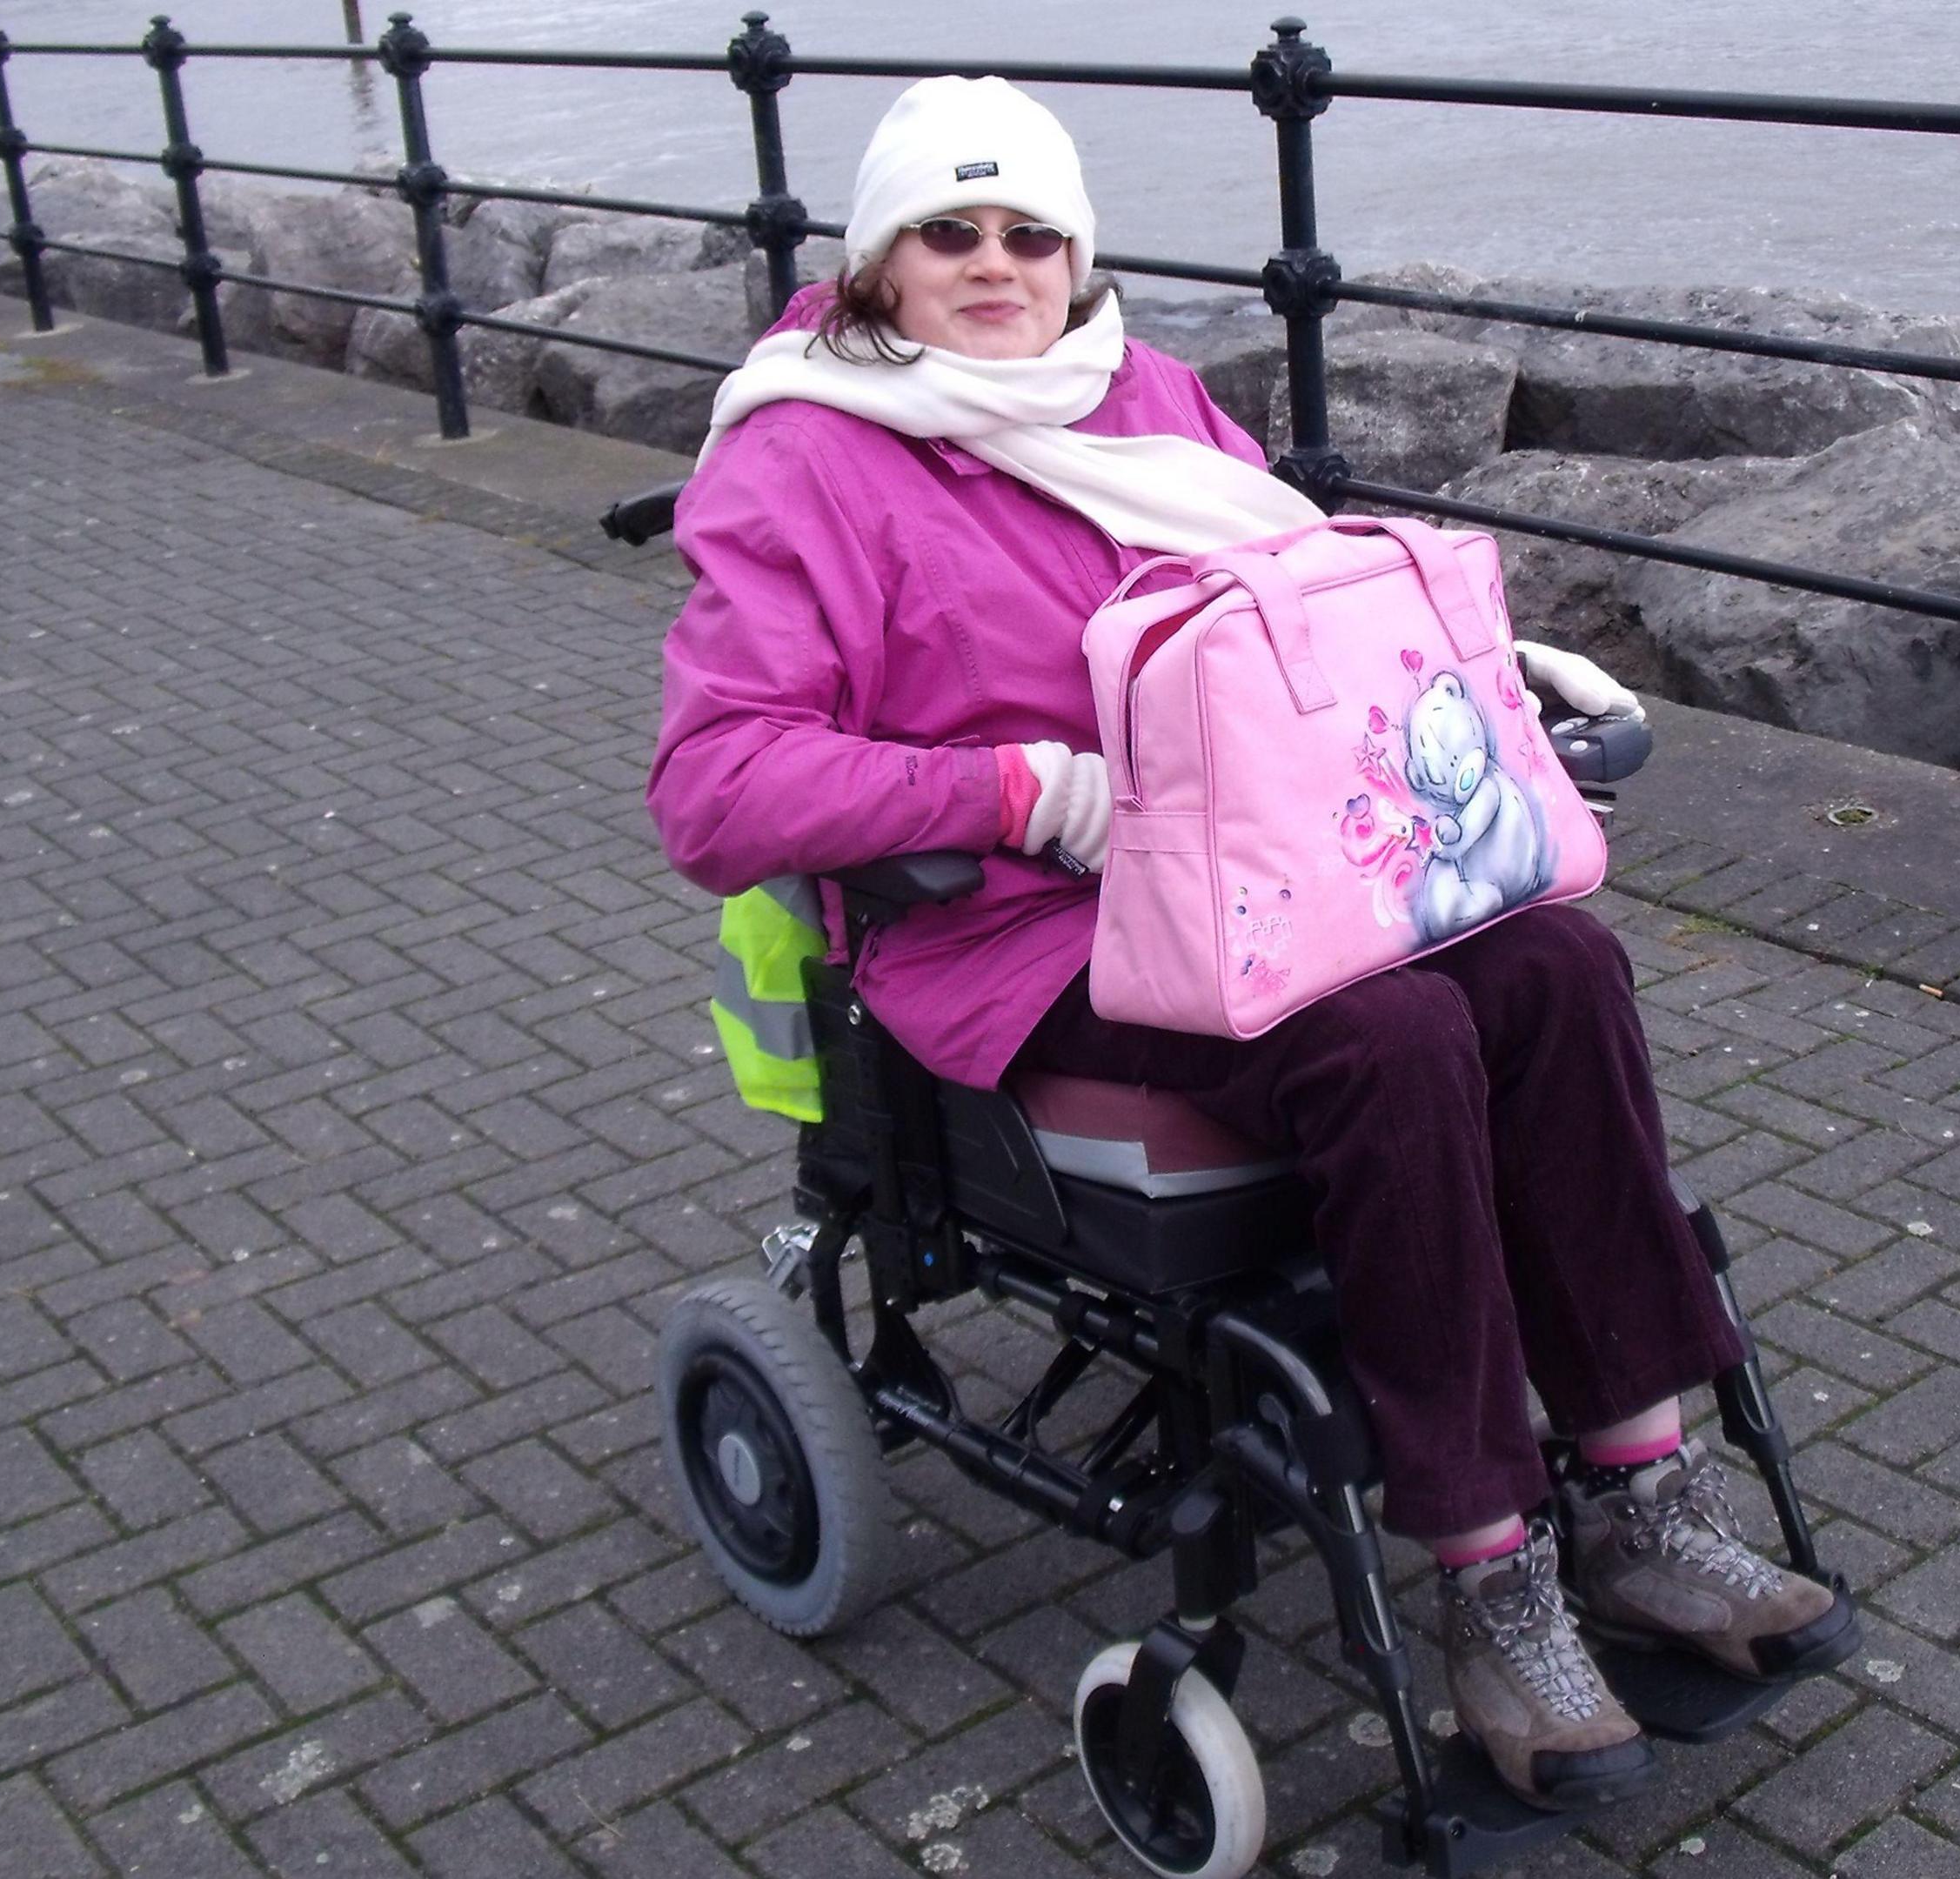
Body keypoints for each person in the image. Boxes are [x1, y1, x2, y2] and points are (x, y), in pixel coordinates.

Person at [646, 75, 1839, 1813]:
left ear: (1078, 253)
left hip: (1253, 872)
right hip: (1018, 927)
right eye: (948, 234)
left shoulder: (1146, 395)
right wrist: (1018, 792)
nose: (996, 264)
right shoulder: (807, 455)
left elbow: (1293, 618)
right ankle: (1489, 1570)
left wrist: (1484, 703)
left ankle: (1646, 1491)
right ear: (882, 266)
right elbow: (718, 784)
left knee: (1554, 966)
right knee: (1392, 1039)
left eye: (1031, 232)